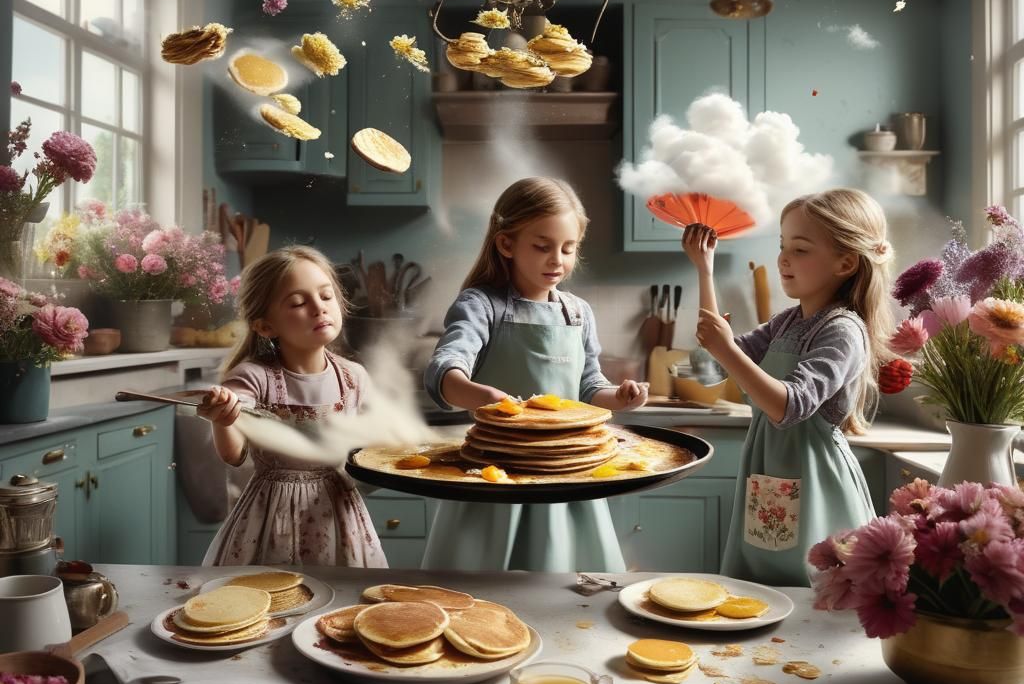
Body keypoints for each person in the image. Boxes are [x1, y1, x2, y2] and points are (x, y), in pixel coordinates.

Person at [423, 177, 648, 571]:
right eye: (542, 247)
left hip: (567, 475)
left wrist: (619, 396)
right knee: (482, 601)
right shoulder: (481, 305)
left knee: (572, 594)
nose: (557, 260)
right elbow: (446, 368)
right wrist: (482, 397)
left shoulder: (577, 312)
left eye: (568, 248)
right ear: (506, 244)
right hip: (494, 481)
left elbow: (589, 387)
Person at [681, 188, 894, 586]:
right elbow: (711, 366)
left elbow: (789, 406)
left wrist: (726, 348)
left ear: (845, 262)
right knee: (763, 587)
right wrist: (704, 271)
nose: (782, 258)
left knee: (812, 592)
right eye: (782, 245)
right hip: (771, 475)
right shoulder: (787, 322)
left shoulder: (842, 330)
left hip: (815, 479)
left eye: (800, 249)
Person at [198, 246, 386, 567]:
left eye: (326, 296)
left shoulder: (354, 378)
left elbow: (372, 449)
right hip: (272, 518)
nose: (318, 308)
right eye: (299, 302)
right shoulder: (253, 377)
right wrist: (223, 418)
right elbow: (234, 454)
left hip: (340, 516)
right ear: (265, 326)